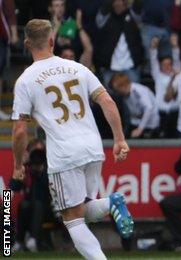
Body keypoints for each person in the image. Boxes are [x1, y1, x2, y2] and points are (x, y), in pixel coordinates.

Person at [11, 19, 134, 259]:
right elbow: (107, 101)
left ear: (26, 43)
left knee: (71, 218)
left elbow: (19, 131)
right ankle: (111, 203)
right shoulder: (77, 68)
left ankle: (110, 209)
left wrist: (17, 164)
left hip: (64, 154)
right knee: (83, 209)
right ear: (51, 40)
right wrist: (119, 139)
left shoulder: (26, 80)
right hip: (92, 147)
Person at [110, 73, 160, 138]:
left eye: (118, 90)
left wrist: (140, 129)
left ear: (124, 86)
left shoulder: (139, 90)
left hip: (150, 124)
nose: (117, 92)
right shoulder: (123, 95)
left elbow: (149, 108)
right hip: (135, 122)